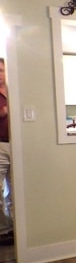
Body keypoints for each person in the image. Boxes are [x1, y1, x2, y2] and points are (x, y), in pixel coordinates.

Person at [0, 58, 13, 245]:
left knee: (16, 191)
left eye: (1, 70)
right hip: (0, 145)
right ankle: (3, 231)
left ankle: (15, 230)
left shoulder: (13, 90)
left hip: (16, 145)